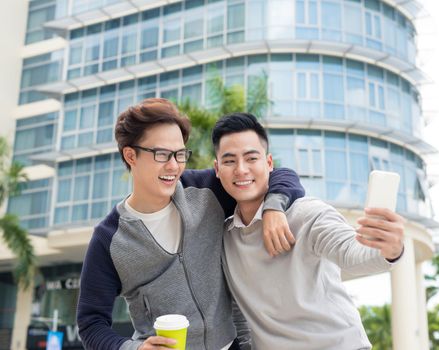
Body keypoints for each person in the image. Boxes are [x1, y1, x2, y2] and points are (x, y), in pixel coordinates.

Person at [76, 99, 305, 350]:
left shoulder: (206, 191)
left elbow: (279, 175)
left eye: (180, 154)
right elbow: (91, 323)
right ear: (131, 155)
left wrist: (273, 207)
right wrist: (135, 349)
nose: (174, 166)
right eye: (161, 154)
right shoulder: (109, 239)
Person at [212, 112, 405, 350]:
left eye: (251, 158)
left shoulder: (308, 214)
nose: (241, 170)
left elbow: (351, 252)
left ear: (269, 163)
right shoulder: (225, 238)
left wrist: (389, 249)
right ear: (217, 169)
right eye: (229, 161)